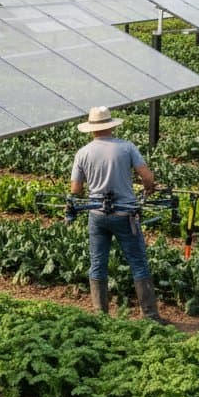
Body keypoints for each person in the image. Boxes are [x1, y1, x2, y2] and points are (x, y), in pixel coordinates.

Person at [69, 106, 169, 324]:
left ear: (91, 129)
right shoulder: (126, 148)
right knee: (138, 262)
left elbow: (75, 190)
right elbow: (147, 176)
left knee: (98, 263)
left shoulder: (83, 153)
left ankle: (101, 316)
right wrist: (148, 187)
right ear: (111, 126)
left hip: (97, 214)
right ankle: (150, 316)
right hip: (125, 214)